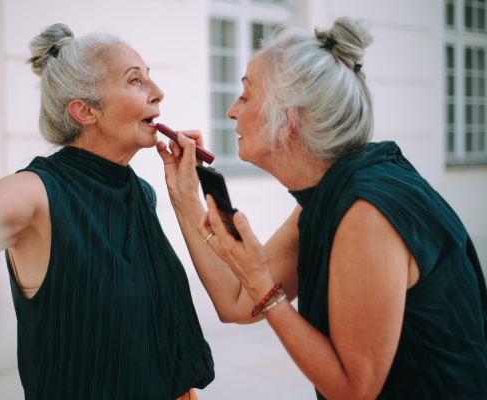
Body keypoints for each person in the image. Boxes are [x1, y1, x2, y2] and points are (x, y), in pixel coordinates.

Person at [157, 16, 487, 399]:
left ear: (288, 121)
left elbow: (353, 390)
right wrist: (184, 195)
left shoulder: (366, 213)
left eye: (246, 96)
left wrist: (263, 283)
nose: (232, 111)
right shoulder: (329, 193)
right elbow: (236, 301)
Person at [0, 23, 214, 400]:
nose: (158, 92)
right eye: (135, 80)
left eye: (150, 77)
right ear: (85, 111)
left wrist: (186, 195)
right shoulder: (37, 194)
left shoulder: (141, 193)